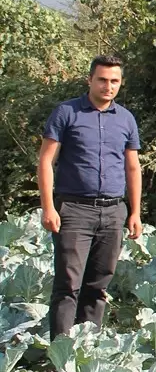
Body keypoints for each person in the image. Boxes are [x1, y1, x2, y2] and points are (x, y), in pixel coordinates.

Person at [38, 55, 143, 338]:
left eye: (114, 81)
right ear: (90, 80)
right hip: (73, 210)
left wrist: (134, 212)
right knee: (67, 286)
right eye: (102, 80)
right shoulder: (66, 112)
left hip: (113, 212)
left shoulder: (126, 119)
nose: (108, 86)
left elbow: (132, 166)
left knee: (98, 287)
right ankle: (60, 354)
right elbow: (46, 161)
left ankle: (87, 350)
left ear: (120, 83)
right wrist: (48, 207)